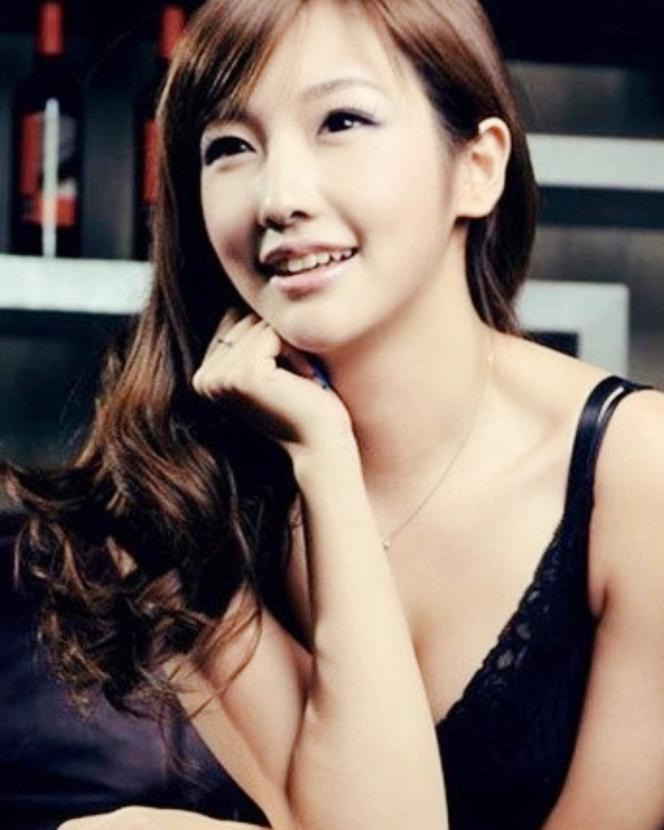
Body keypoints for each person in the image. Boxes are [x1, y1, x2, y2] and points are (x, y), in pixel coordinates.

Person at [2, 0, 664, 828]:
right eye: (229, 147)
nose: (279, 197)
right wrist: (325, 459)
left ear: (477, 166)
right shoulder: (183, 495)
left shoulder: (638, 471)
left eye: (342, 121)